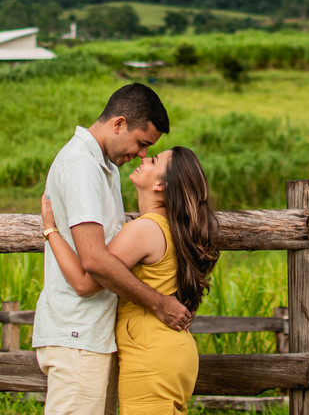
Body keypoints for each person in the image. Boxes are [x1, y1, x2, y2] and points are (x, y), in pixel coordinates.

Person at [33, 83, 193, 415]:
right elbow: (92, 263)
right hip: (77, 333)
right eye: (142, 143)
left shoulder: (104, 167)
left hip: (94, 334)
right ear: (118, 124)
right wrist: (159, 303)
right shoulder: (82, 167)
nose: (142, 154)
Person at [41, 145, 220, 414]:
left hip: (151, 354)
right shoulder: (168, 227)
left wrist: (50, 229)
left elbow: (84, 282)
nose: (144, 158)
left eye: (154, 160)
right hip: (170, 349)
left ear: (161, 184)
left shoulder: (144, 230)